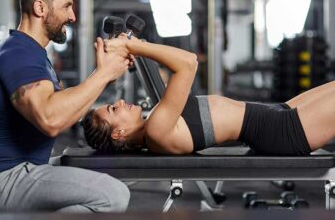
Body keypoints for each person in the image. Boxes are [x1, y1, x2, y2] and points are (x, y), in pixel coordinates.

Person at [0, 0, 131, 213]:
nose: (72, 16)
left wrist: (104, 75)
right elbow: (50, 120)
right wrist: (103, 74)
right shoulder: (18, 54)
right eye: (67, 6)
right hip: (10, 180)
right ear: (40, 7)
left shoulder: (32, 53)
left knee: (100, 174)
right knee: (114, 195)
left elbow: (62, 110)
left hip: (26, 170)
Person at [82, 34, 335, 156]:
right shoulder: (157, 130)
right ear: (119, 133)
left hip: (277, 115)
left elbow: (176, 68)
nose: (118, 103)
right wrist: (132, 45)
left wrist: (135, 47)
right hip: (279, 131)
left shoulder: (156, 121)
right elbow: (188, 63)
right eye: (113, 110)